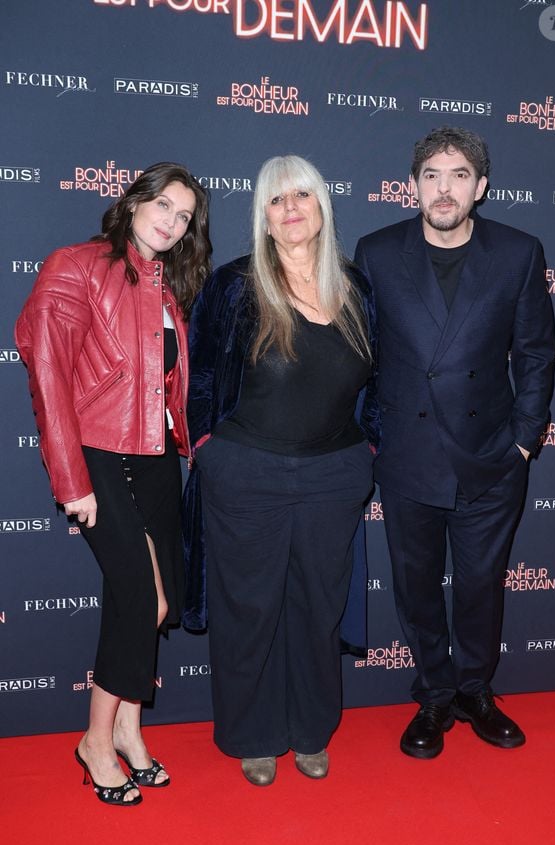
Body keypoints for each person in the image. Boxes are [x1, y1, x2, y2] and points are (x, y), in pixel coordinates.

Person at [355, 127, 555, 759]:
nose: (445, 188)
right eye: (433, 175)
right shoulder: (378, 251)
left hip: (491, 458)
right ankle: (435, 695)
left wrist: (524, 442)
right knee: (416, 588)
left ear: (482, 186)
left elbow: (535, 353)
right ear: (413, 185)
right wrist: (369, 441)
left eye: (460, 175)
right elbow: (360, 354)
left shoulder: (519, 252)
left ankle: (475, 690)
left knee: (480, 586)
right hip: (409, 456)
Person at [15, 163, 211, 804]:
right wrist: (71, 479)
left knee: (158, 602)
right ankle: (95, 740)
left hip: (155, 458)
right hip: (98, 454)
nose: (172, 220)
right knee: (137, 599)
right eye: (163, 204)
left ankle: (128, 727)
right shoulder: (74, 266)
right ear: (132, 202)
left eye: (184, 216)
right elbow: (48, 377)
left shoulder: (167, 286)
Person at [182, 155, 378, 786]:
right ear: (263, 218)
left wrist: (367, 448)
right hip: (246, 471)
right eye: (275, 200)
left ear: (322, 205)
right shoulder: (234, 285)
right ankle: (255, 734)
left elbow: (382, 382)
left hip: (334, 477)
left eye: (302, 196)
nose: (291, 208)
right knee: (251, 607)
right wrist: (208, 446)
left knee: (318, 606)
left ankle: (310, 730)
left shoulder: (356, 287)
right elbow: (200, 376)